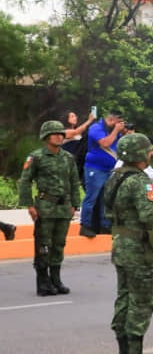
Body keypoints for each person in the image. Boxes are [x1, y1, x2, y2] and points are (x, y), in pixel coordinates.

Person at [105, 133, 153, 354]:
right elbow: (148, 214)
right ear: (137, 154)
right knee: (142, 301)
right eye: (147, 151)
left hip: (121, 245)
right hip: (140, 250)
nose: (150, 154)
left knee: (124, 298)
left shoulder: (115, 177)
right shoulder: (140, 181)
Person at [18, 121, 81, 296]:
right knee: (43, 245)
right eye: (55, 134)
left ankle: (56, 280)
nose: (59, 136)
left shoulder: (68, 157)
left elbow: (75, 182)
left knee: (59, 245)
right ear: (46, 137)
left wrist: (75, 205)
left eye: (61, 134)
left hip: (64, 208)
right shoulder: (36, 157)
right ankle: (43, 283)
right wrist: (29, 205)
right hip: (45, 207)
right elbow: (25, 181)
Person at [80, 109, 124, 237]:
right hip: (95, 169)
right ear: (110, 120)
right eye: (118, 122)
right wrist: (116, 131)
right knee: (91, 197)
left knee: (106, 199)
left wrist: (122, 132)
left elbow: (119, 146)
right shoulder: (96, 128)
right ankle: (85, 225)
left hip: (108, 170)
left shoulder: (113, 132)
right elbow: (105, 143)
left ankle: (104, 225)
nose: (119, 125)